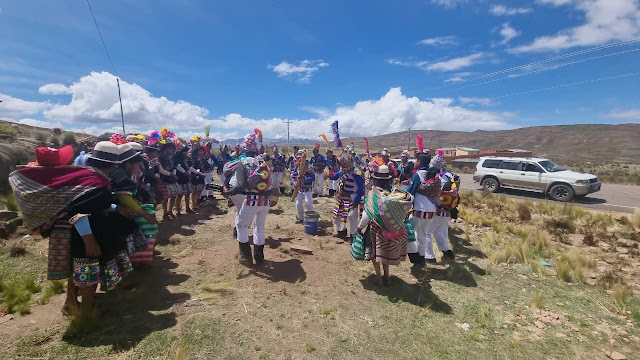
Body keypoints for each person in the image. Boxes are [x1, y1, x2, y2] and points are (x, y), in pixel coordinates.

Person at [10, 142, 137, 316]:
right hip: (83, 231)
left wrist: (116, 208)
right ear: (114, 164)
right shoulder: (96, 181)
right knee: (89, 271)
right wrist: (89, 239)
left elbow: (90, 202)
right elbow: (78, 210)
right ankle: (85, 315)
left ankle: (70, 303)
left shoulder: (83, 173)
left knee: (76, 269)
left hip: (69, 229)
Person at [356, 165, 412, 286]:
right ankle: (387, 277)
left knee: (374, 255)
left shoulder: (374, 194)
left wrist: (359, 228)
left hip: (376, 230)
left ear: (376, 179)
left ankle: (379, 279)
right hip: (391, 230)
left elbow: (367, 214)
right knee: (384, 253)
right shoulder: (394, 193)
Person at [224, 132, 273, 265]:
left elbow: (241, 186)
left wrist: (228, 192)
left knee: (242, 225)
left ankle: (245, 256)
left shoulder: (242, 163)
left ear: (244, 149)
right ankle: (259, 255)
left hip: (252, 200)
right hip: (266, 200)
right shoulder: (262, 161)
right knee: (260, 227)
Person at [405, 152, 440, 265]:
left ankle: (414, 257)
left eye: (416, 160)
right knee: (423, 235)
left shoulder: (418, 175)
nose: (415, 162)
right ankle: (421, 259)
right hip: (431, 210)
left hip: (419, 209)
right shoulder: (434, 174)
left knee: (409, 232)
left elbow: (410, 192)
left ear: (419, 162)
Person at [332, 150, 365, 240]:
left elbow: (361, 188)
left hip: (352, 196)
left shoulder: (356, 172)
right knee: (338, 214)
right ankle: (341, 231)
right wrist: (331, 175)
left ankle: (353, 235)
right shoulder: (343, 170)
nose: (342, 166)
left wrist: (357, 200)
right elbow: (336, 175)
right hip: (342, 196)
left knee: (352, 216)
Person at [158, 142, 181, 220]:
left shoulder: (172, 157)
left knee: (174, 195)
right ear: (165, 149)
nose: (172, 150)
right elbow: (161, 169)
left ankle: (170, 210)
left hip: (171, 179)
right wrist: (171, 175)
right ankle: (165, 213)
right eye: (170, 149)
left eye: (172, 149)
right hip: (164, 179)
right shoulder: (161, 157)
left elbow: (174, 166)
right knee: (165, 197)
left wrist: (173, 174)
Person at [291, 149, 315, 223]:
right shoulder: (296, 166)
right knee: (298, 204)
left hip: (308, 189)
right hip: (300, 189)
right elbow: (293, 176)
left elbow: (313, 177)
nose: (299, 159)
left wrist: (304, 178)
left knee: (308, 204)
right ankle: (301, 218)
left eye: (300, 158)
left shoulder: (309, 166)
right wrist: (294, 182)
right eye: (298, 158)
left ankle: (313, 218)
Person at [173, 146, 194, 215]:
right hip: (180, 178)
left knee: (188, 193)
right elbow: (177, 166)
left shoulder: (186, 158)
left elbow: (189, 167)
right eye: (186, 151)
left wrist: (194, 173)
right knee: (180, 195)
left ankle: (187, 208)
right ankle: (177, 210)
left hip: (187, 178)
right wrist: (184, 172)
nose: (187, 153)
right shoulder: (178, 157)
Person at [189, 145, 207, 210]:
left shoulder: (203, 159)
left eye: (202, 151)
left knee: (200, 189)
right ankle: (193, 204)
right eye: (199, 151)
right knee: (194, 190)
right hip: (194, 176)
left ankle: (196, 202)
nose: (201, 152)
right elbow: (192, 167)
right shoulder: (193, 158)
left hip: (201, 176)